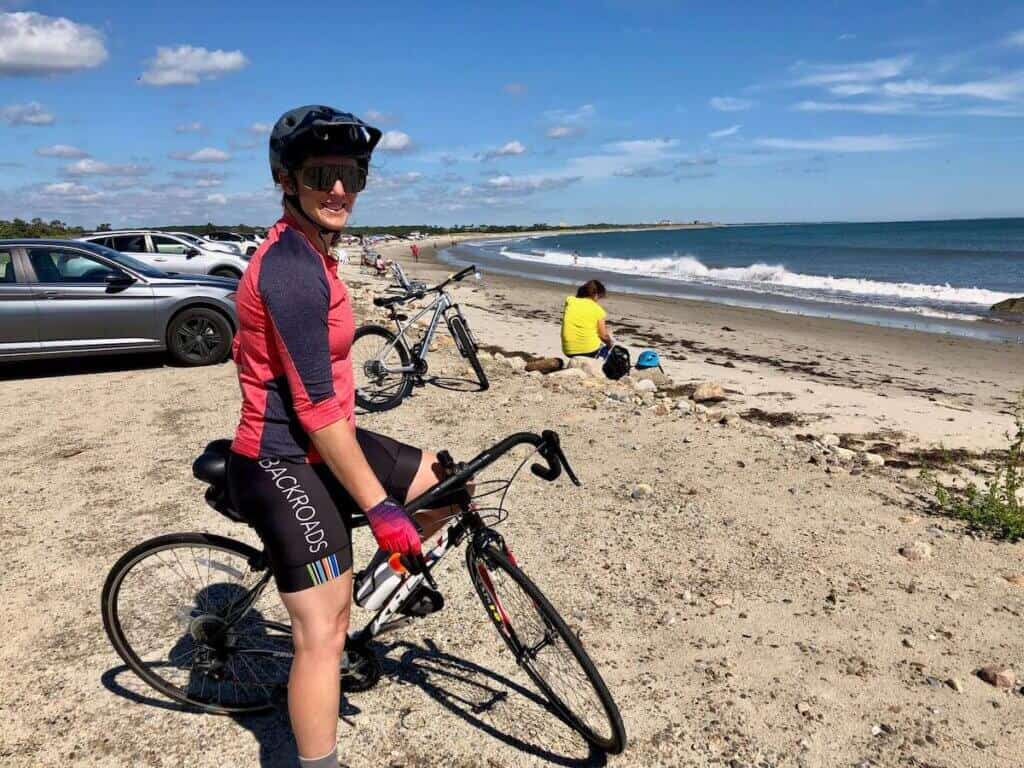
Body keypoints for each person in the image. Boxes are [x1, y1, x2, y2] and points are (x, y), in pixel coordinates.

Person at [226, 105, 465, 768]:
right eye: (320, 173)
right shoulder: (292, 270)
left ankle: (373, 585)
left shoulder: (316, 252)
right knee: (323, 635)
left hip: (327, 440)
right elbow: (316, 413)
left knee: (452, 488)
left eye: (351, 174)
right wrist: (383, 508)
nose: (339, 189)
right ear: (286, 180)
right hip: (280, 459)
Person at [561, 279, 614, 358]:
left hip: (568, 350)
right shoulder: (598, 310)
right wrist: (610, 344)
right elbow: (603, 336)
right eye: (599, 297)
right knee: (609, 335)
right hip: (589, 351)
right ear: (596, 294)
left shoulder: (570, 300)